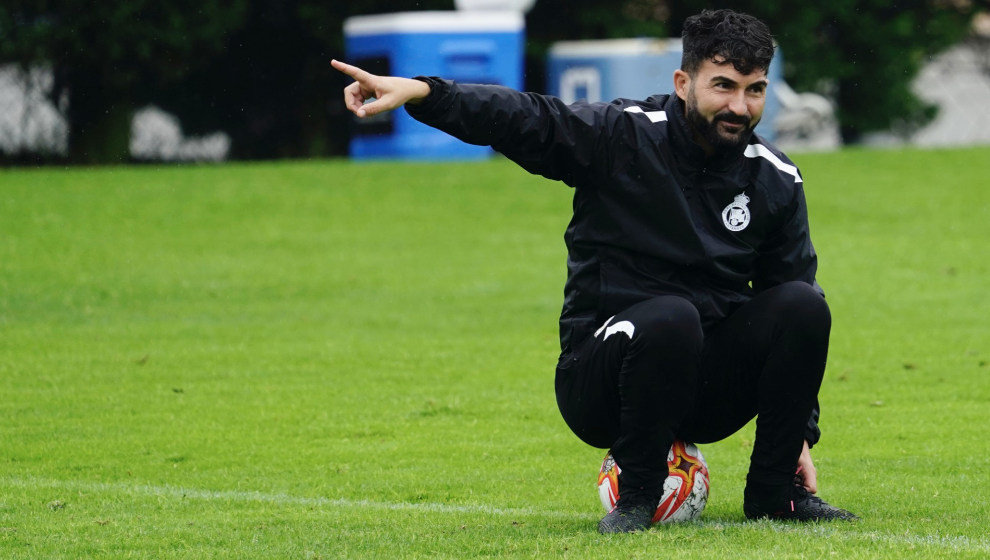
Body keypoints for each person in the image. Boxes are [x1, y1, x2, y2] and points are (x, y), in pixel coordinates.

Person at [332, 9, 858, 533]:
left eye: (755, 90)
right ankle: (636, 499)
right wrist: (426, 93)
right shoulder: (623, 136)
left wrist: (798, 437)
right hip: (602, 381)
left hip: (704, 388)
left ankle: (775, 492)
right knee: (672, 316)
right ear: (682, 82)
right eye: (723, 86)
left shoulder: (776, 178)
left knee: (804, 304)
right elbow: (525, 117)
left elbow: (787, 309)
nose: (739, 106)